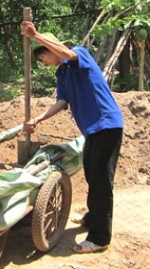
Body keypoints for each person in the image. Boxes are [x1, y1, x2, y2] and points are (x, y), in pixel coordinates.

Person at [20, 21, 123, 254]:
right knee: (91, 174)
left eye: (43, 58)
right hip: (92, 129)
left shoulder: (78, 54)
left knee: (101, 181)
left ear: (51, 50)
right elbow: (62, 102)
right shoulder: (62, 73)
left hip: (107, 124)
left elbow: (66, 53)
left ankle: (100, 238)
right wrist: (38, 119)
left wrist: (35, 35)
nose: (43, 63)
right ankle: (92, 217)